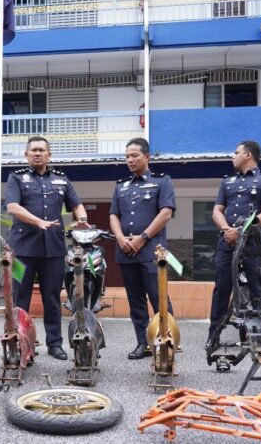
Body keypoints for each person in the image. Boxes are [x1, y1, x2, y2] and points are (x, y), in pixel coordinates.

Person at [6, 136, 90, 361]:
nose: (37, 153)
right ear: (26, 155)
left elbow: (76, 204)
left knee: (51, 298)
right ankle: (19, 342)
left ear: (49, 154)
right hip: (21, 250)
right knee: (19, 297)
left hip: (53, 250)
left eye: (42, 150)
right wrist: (38, 221)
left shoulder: (62, 180)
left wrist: (81, 217)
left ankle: (55, 344)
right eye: (33, 150)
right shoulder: (16, 178)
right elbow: (13, 207)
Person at [206, 140, 261, 350]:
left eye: (236, 152)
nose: (232, 156)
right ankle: (214, 336)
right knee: (221, 290)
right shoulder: (227, 181)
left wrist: (241, 232)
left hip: (254, 245)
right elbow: (217, 211)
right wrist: (227, 231)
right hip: (226, 243)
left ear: (248, 155)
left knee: (258, 290)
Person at [109, 138, 176, 360]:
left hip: (151, 252)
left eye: (134, 155)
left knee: (159, 299)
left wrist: (143, 237)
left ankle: (166, 342)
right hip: (126, 251)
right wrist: (119, 238)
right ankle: (143, 343)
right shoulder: (121, 186)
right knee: (135, 300)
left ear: (147, 157)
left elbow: (165, 213)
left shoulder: (162, 182)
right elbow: (114, 215)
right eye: (127, 156)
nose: (129, 160)